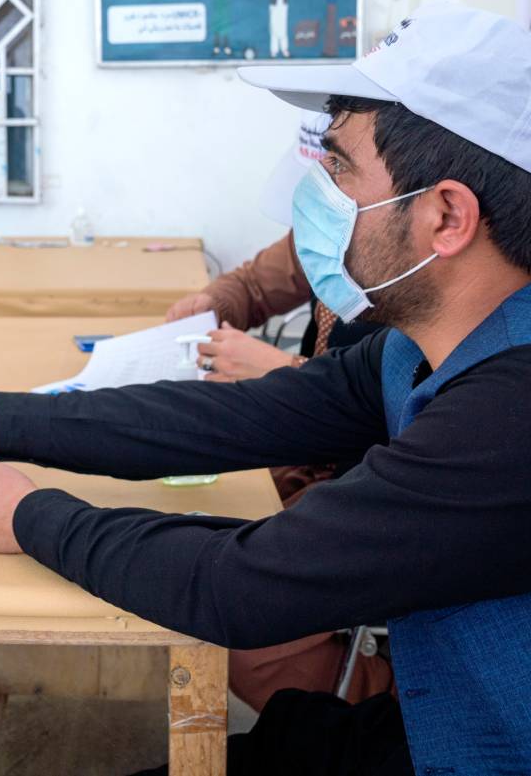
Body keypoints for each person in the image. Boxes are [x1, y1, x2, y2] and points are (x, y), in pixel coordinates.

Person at [0, 4, 531, 775]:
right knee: (289, 744)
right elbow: (248, 415)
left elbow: (242, 587)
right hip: (508, 701)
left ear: (448, 216)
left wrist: (26, 515)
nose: (316, 193)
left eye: (342, 168)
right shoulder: (483, 316)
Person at [166, 234, 393, 709]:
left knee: (250, 631)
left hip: (382, 473)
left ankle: (390, 714)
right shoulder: (337, 222)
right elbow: (254, 283)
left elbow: (434, 393)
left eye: (341, 165)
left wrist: (289, 371)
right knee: (191, 500)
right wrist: (213, 302)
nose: (327, 180)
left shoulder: (424, 251)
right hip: (317, 447)